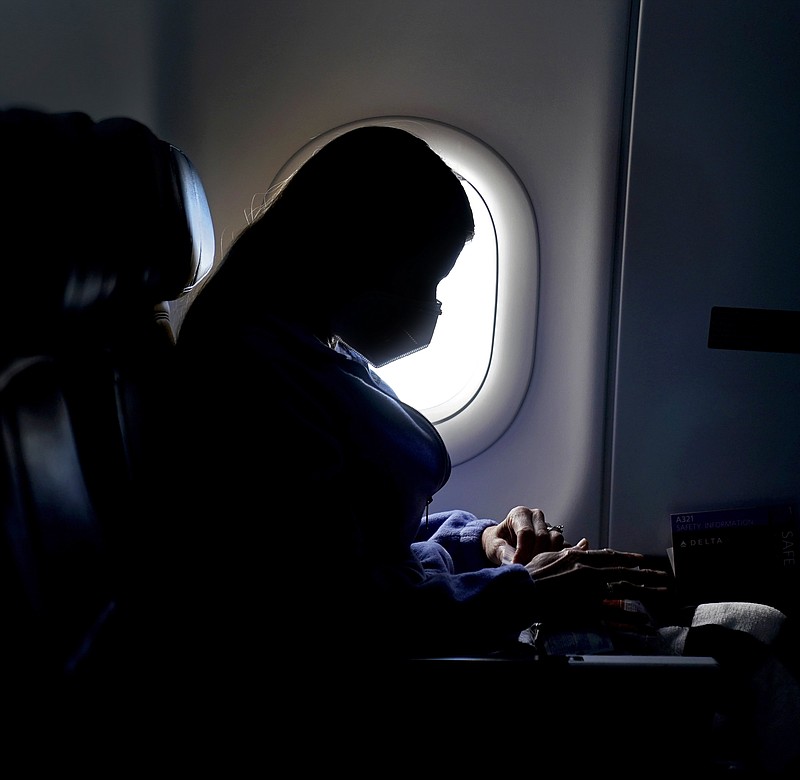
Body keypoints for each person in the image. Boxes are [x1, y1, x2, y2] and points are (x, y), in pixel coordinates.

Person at [164, 125, 674, 703]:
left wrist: (483, 540)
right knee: (733, 644)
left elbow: (371, 535)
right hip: (379, 682)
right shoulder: (252, 380)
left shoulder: (314, 344)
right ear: (355, 258)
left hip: (425, 635)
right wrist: (524, 590)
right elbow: (338, 612)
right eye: (426, 280)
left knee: (729, 629)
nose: (433, 307)